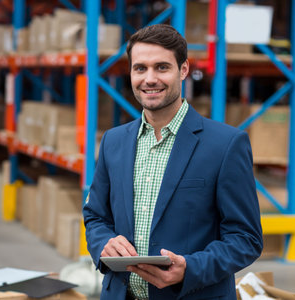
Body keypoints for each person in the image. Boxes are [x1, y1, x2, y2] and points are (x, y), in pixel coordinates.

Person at [83, 24, 263, 300]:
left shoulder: (226, 144)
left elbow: (245, 238)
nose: (150, 78)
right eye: (140, 68)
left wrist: (189, 269)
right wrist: (103, 243)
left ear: (183, 70)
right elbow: (95, 216)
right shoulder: (113, 141)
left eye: (162, 67)